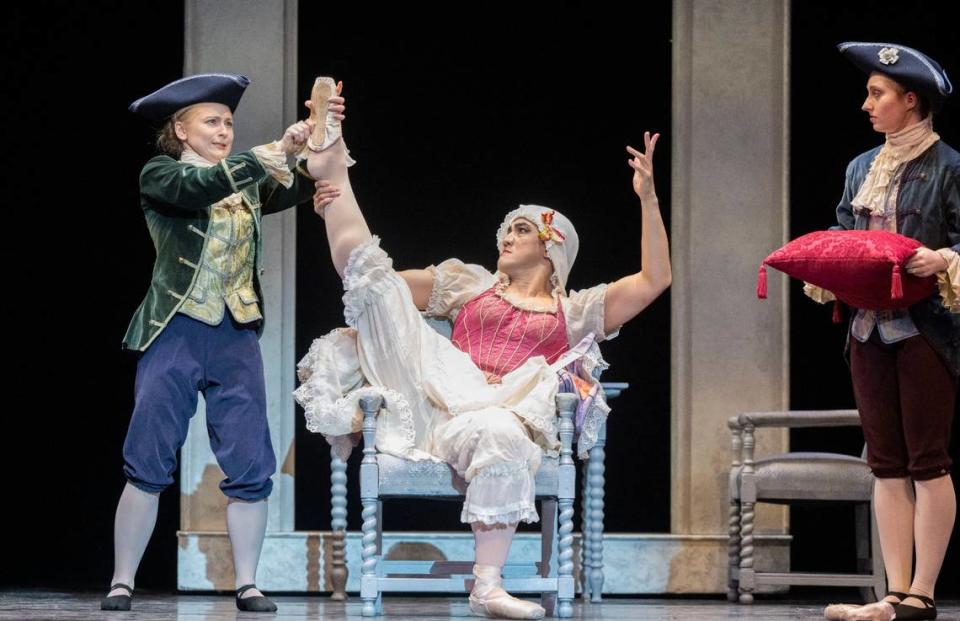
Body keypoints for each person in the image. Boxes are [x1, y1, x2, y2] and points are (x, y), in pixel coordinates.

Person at [295, 82, 671, 619]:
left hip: (499, 417)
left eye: (521, 229)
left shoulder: (577, 310)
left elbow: (656, 279)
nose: (507, 237)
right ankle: (332, 166)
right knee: (373, 279)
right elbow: (389, 290)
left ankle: (487, 586)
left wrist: (649, 198)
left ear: (552, 245)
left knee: (499, 431)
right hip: (439, 400)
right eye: (506, 229)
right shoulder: (469, 284)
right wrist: (336, 216)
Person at [103, 73, 343, 613]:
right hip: (177, 329)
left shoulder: (247, 179)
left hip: (235, 333)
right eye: (212, 121)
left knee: (250, 459)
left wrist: (321, 136)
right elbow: (201, 189)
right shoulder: (161, 175)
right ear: (181, 130)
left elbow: (309, 178)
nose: (224, 130)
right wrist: (275, 150)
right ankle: (122, 580)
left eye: (229, 122)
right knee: (149, 455)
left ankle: (248, 583)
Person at [814, 43, 960, 621]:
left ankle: (922, 592)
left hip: (925, 330)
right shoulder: (860, 168)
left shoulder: (950, 167)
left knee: (928, 459)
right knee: (885, 460)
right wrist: (822, 254)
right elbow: (846, 228)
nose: (867, 104)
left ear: (910, 99)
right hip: (869, 329)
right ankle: (895, 592)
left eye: (877, 94)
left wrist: (945, 259)